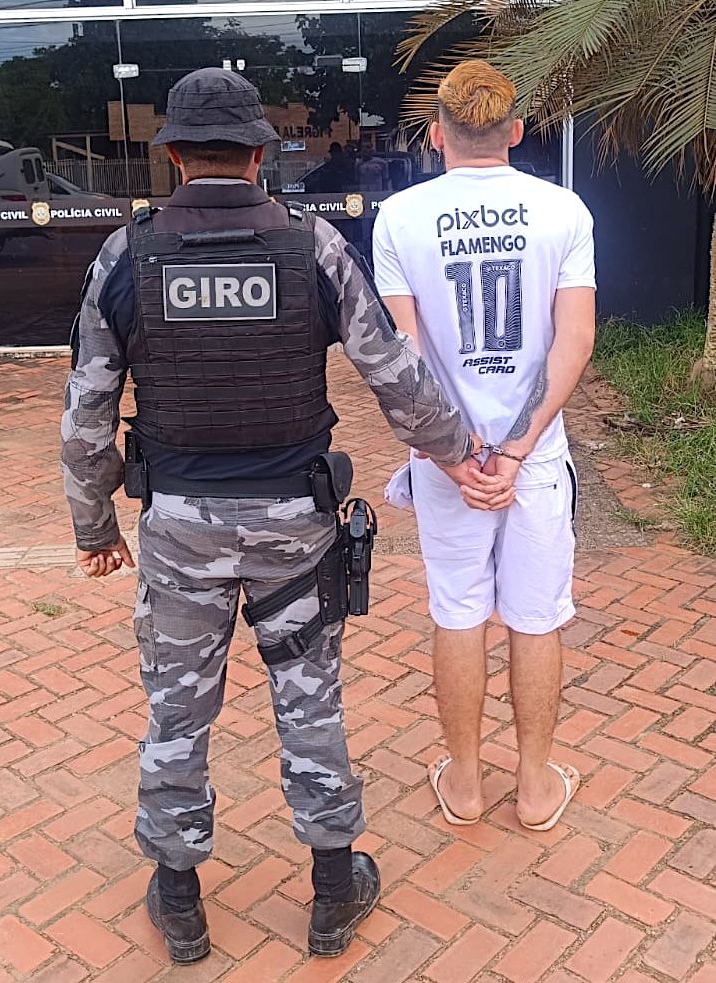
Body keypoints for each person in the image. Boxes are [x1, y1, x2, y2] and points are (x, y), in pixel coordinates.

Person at [61, 68, 483, 964]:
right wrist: (459, 452)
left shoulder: (127, 255)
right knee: (309, 697)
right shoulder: (312, 246)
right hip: (296, 523)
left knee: (177, 710)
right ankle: (332, 890)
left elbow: (86, 412)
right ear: (259, 155)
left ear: (175, 156)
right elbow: (394, 373)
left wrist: (94, 525)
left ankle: (180, 902)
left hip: (179, 528)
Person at [373, 61, 596, 833]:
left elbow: (402, 357)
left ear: (437, 135)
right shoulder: (563, 210)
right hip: (532, 460)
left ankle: (466, 783)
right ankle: (534, 787)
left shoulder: (399, 218)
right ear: (516, 132)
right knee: (536, 618)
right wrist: (519, 447)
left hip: (448, 463)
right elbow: (576, 337)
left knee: (458, 611)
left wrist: (453, 456)